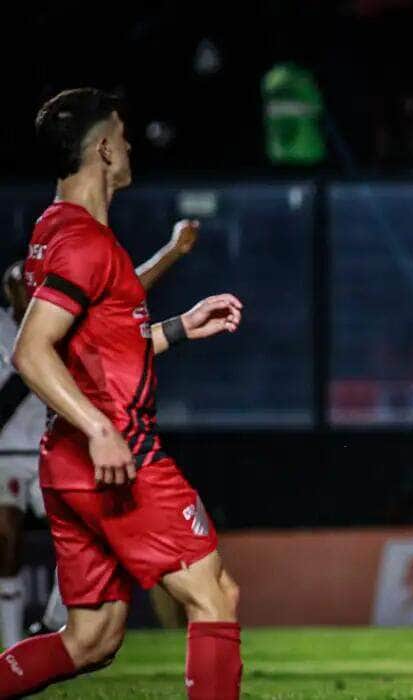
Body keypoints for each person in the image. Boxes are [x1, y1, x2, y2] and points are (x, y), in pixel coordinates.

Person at [0, 87, 243, 699]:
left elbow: (99, 353)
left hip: (68, 461)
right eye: (124, 135)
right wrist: (102, 430)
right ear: (105, 149)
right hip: (117, 457)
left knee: (92, 639)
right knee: (214, 595)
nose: (131, 145)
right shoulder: (84, 242)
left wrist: (183, 327)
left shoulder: (57, 231)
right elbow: (31, 351)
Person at [1, 221, 197, 648]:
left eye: (28, 285)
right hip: (16, 454)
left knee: (103, 538)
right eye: (16, 287)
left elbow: (122, 300)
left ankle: (49, 625)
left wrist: (172, 254)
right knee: (8, 538)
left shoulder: (66, 312)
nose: (24, 294)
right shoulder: (32, 332)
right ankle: (20, 639)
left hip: (66, 447)